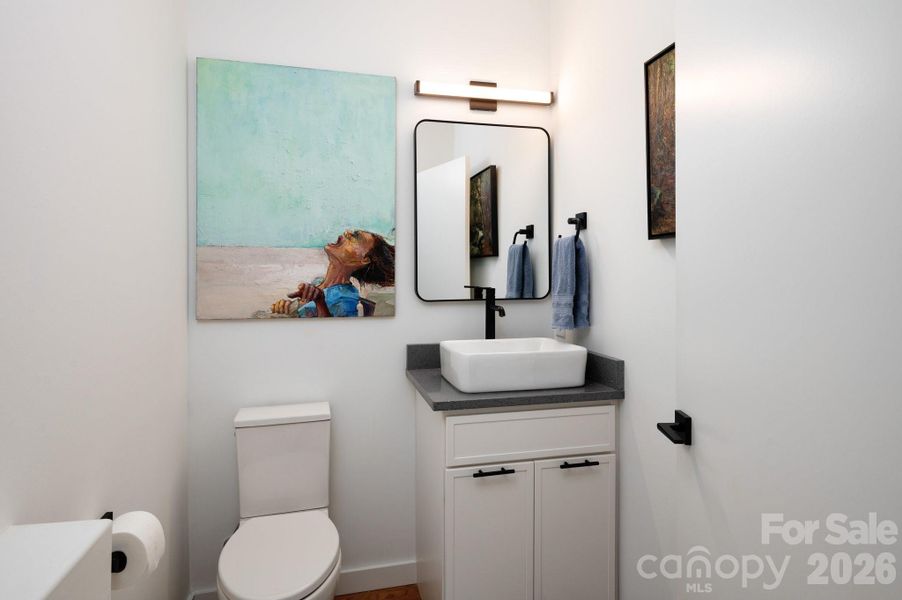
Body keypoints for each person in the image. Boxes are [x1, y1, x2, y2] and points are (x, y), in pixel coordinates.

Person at [271, 229, 394, 318]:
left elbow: (336, 334)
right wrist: (288, 307)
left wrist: (320, 302)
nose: (347, 232)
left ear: (363, 260)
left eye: (356, 237)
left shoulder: (347, 299)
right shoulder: (318, 282)